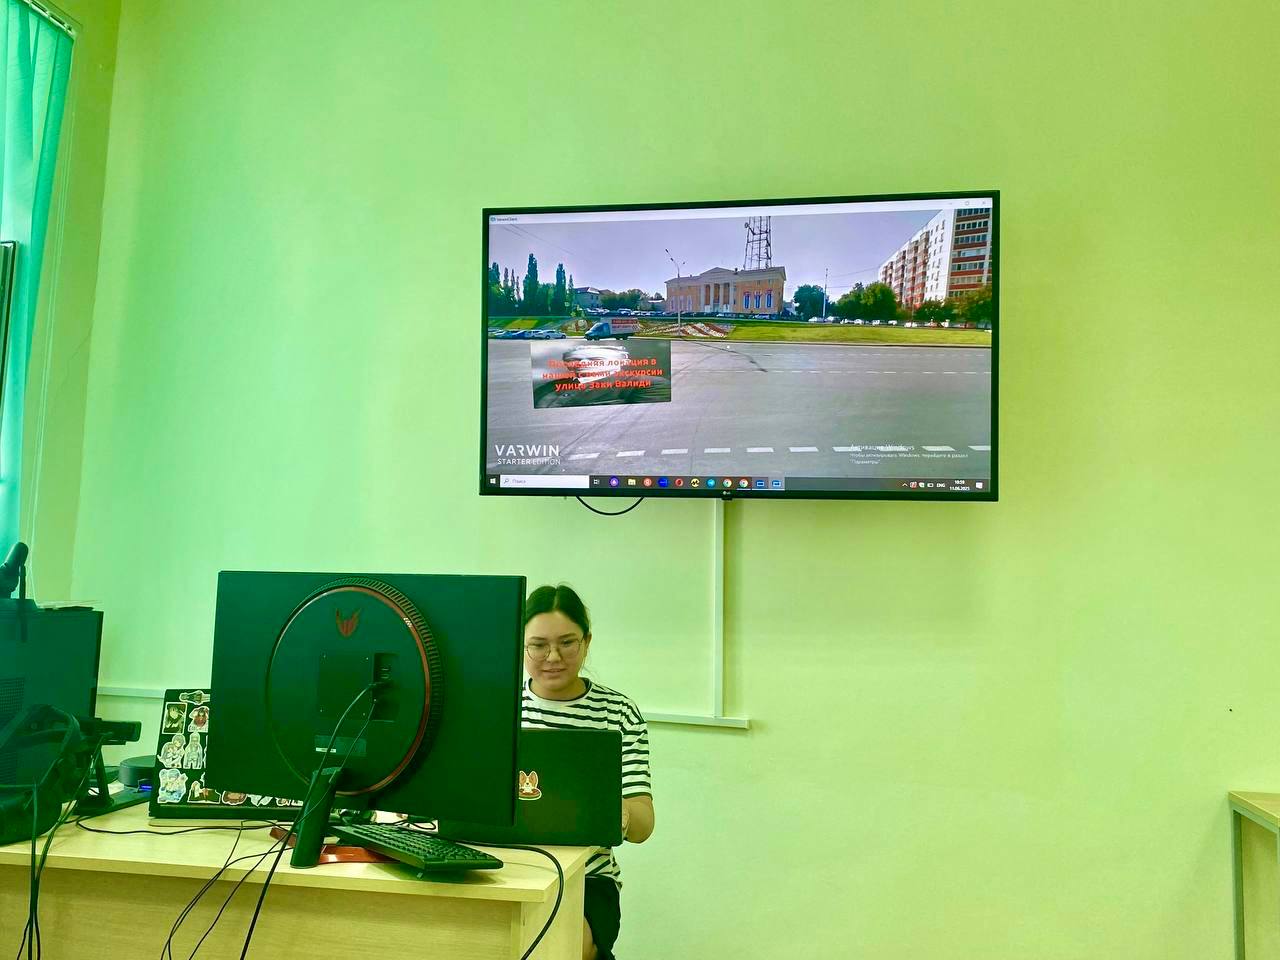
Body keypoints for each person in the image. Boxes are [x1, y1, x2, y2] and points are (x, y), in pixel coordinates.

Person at [521, 584, 654, 960]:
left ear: (587, 641)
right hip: (506, 867)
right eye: (538, 645)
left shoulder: (618, 712)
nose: (553, 657)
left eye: (567, 643)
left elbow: (643, 826)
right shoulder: (497, 707)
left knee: (560, 947)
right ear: (522, 645)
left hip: (588, 879)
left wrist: (614, 808)